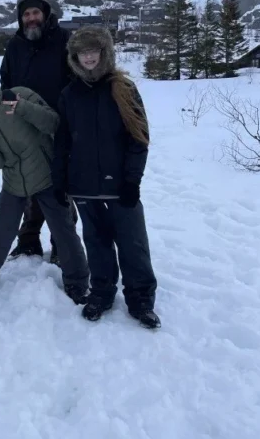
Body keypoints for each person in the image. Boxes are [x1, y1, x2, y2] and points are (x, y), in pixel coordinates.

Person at [52, 25, 160, 329]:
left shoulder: (123, 88)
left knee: (133, 245)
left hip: (120, 187)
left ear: (105, 52)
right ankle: (101, 293)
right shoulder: (69, 94)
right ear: (74, 57)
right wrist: (60, 180)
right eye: (82, 53)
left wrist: (132, 181)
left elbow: (138, 138)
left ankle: (140, 299)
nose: (88, 57)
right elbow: (62, 143)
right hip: (84, 187)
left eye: (93, 51)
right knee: (96, 243)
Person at [0, 66, 89, 300]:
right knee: (1, 230)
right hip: (14, 183)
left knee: (63, 229)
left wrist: (23, 107)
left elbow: (53, 123)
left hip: (46, 176)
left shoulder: (19, 94)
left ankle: (78, 283)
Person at [0, 0, 73, 264]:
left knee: (60, 185)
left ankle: (62, 245)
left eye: (35, 13)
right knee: (30, 182)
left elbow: (76, 78)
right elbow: (5, 80)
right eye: (26, 14)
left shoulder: (63, 40)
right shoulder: (15, 46)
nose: (31, 18)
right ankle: (28, 241)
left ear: (45, 14)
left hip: (58, 124)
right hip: (25, 127)